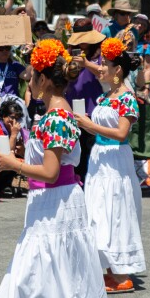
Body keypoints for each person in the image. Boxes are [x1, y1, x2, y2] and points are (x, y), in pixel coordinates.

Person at [0, 39, 116, 298]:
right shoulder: (52, 114)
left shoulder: (58, 116)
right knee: (42, 278)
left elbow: (51, 171)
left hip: (58, 203)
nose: (28, 81)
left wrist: (12, 163)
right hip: (47, 202)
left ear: (44, 79)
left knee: (53, 278)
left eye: (31, 75)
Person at [75, 37, 146, 294]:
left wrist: (89, 126)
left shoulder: (127, 97)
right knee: (100, 210)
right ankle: (109, 269)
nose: (101, 68)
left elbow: (121, 133)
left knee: (116, 210)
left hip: (116, 158)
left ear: (118, 70)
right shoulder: (107, 96)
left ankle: (122, 274)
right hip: (99, 158)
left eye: (105, 64)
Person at [65, 19, 106, 182]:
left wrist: (87, 63)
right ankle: (75, 180)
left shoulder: (100, 56)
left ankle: (90, 181)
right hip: (71, 106)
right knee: (75, 150)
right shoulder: (69, 54)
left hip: (92, 108)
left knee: (89, 149)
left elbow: (107, 75)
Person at [0, 98, 26, 197]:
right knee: (12, 162)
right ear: (3, 116)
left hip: (0, 162)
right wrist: (14, 135)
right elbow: (6, 154)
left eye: (17, 118)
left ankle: (3, 186)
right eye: (12, 117)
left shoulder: (12, 128)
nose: (14, 121)